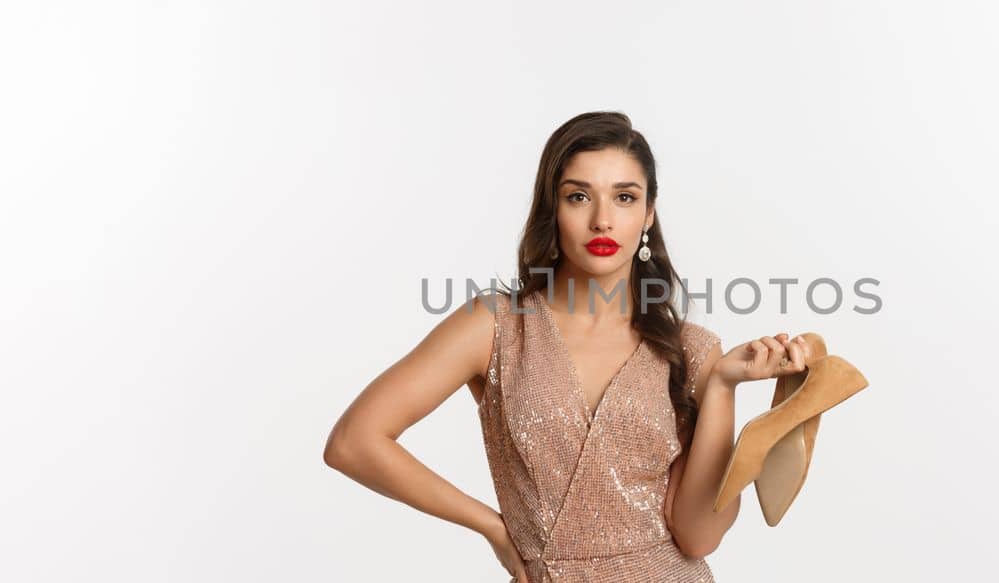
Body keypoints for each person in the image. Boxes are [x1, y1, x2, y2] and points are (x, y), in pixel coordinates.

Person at [323, 111, 812, 582]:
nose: (603, 219)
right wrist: (491, 525)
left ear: (648, 214)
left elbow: (698, 537)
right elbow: (353, 442)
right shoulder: (495, 326)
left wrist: (724, 387)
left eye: (624, 197)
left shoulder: (692, 351)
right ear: (552, 209)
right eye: (579, 197)